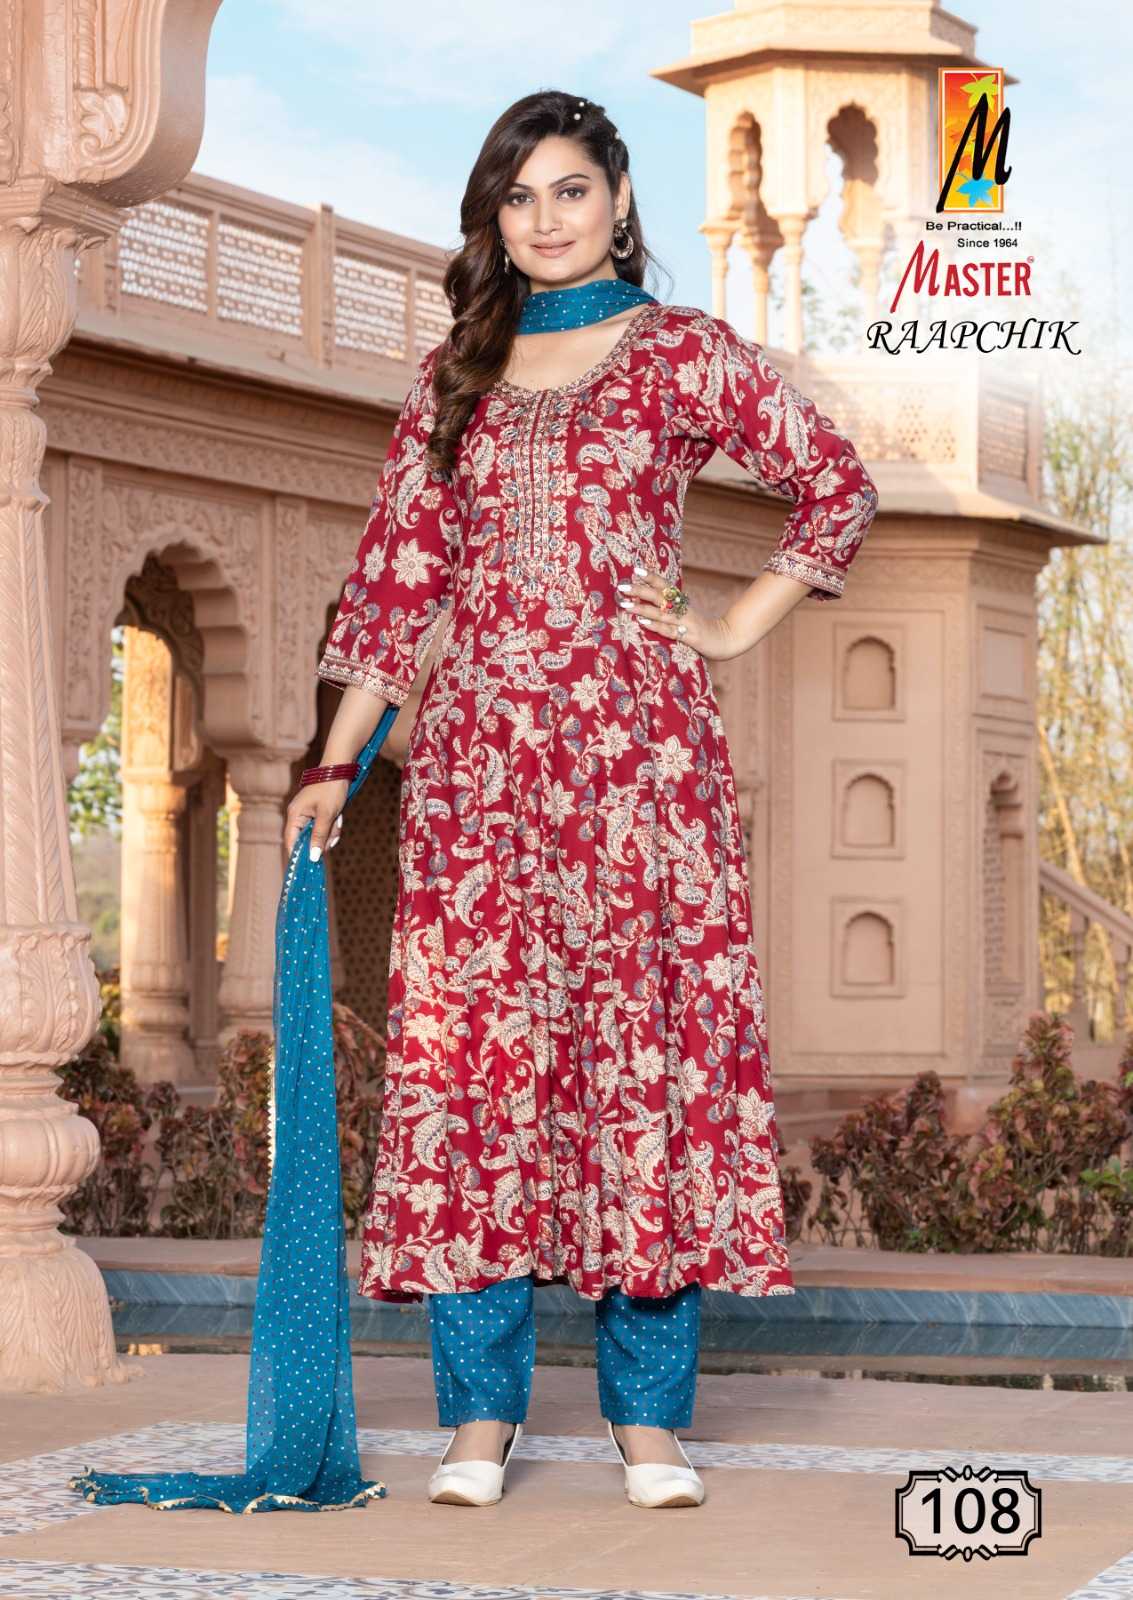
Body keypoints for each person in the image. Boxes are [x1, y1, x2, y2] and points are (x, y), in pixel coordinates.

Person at [285, 88, 878, 1510]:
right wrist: (335, 763)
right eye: (518, 197)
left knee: (639, 1062)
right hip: (481, 775)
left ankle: (648, 1424)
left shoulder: (680, 352)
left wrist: (728, 625)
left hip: (638, 768)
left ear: (617, 199)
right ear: (492, 221)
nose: (544, 218)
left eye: (568, 190)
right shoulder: (455, 374)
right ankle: (479, 1419)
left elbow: (833, 486)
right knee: (472, 1070)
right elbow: (397, 582)